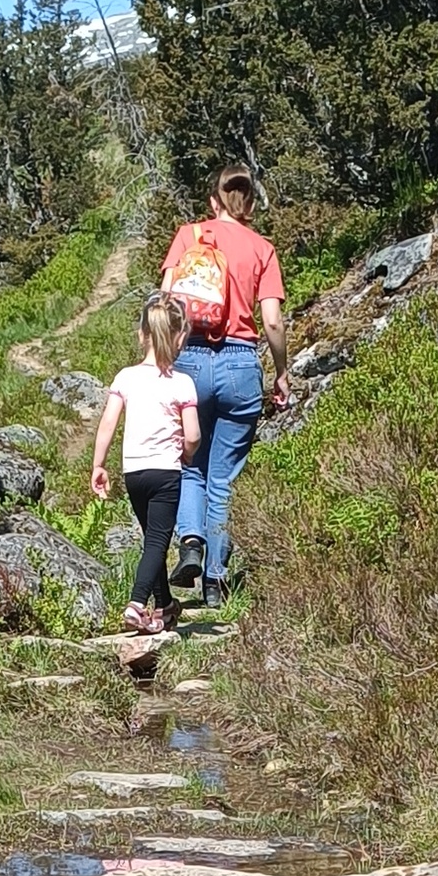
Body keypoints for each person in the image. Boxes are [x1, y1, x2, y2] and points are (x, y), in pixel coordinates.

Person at [159, 164, 289, 606]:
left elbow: (164, 302)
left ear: (214, 201)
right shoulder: (262, 248)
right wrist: (281, 371)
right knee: (224, 479)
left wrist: (160, 363)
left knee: (188, 464)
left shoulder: (189, 236)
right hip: (240, 364)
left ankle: (190, 543)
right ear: (249, 203)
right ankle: (216, 581)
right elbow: (271, 320)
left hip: (190, 359)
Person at [90, 293, 201, 653]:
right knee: (157, 542)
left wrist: (99, 464)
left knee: (151, 539)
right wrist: (186, 454)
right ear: (180, 337)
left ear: (142, 334)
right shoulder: (181, 383)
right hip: (166, 471)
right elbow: (194, 435)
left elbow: (108, 422)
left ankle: (165, 607)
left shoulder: (126, 377)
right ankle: (137, 605)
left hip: (133, 471)